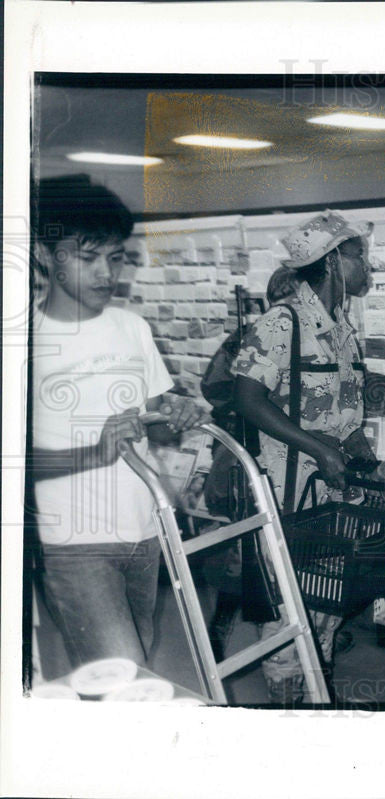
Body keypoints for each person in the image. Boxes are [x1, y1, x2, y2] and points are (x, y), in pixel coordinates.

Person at [30, 177, 208, 669]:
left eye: (115, 257)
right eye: (88, 259)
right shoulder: (23, 339)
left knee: (125, 669)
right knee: (123, 678)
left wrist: (178, 413)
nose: (107, 273)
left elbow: (159, 422)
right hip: (72, 542)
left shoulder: (132, 327)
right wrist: (94, 452)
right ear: (45, 254)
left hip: (143, 527)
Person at [231, 210, 375, 704]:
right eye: (359, 254)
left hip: (331, 495)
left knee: (325, 602)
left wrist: (352, 441)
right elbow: (248, 398)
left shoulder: (340, 328)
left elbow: (336, 405)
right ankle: (287, 706)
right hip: (289, 496)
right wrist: (316, 446)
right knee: (285, 609)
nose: (366, 265)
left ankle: (318, 698)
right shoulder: (283, 322)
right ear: (334, 261)